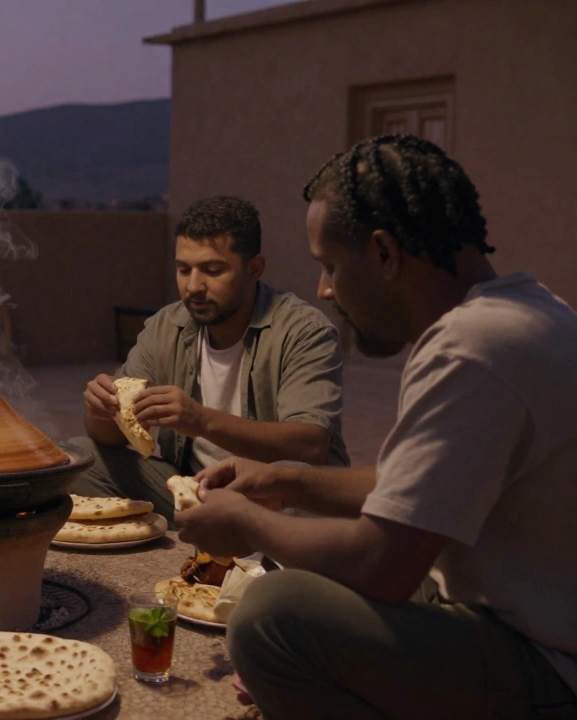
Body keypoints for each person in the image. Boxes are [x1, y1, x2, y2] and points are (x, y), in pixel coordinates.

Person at [179, 135, 577, 718]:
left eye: (330, 265)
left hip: (547, 666)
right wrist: (284, 482)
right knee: (323, 546)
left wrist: (248, 521)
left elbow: (383, 566)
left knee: (274, 614)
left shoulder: (473, 348)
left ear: (385, 253)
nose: (324, 289)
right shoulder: (528, 311)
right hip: (530, 625)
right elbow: (412, 488)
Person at [70, 195, 348, 518]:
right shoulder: (167, 326)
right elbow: (109, 436)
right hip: (193, 488)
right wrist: (101, 411)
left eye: (212, 270)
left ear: (254, 269)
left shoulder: (303, 331)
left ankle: (248, 542)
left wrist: (201, 421)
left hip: (273, 496)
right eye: (183, 269)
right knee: (74, 459)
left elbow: (310, 444)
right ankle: (208, 527)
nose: (193, 286)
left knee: (303, 506)